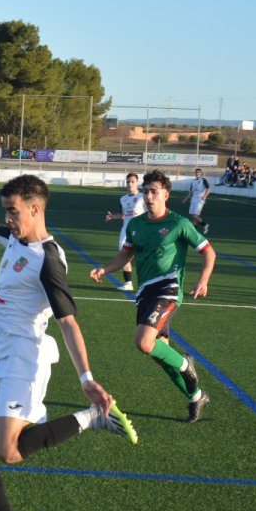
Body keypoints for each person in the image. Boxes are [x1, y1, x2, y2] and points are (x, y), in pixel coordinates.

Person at [0, 168, 137, 511]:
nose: (8, 219)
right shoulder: (15, 239)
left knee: (9, 451)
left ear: (35, 209)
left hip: (26, 357)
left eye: (14, 212)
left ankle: (93, 417)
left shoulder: (49, 259)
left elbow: (68, 321)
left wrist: (86, 378)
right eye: (6, 211)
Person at [90, 169, 217, 423]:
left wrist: (202, 280)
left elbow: (209, 252)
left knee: (144, 343)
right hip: (145, 293)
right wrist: (105, 268)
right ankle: (196, 396)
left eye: (154, 192)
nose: (149, 196)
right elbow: (126, 255)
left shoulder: (179, 223)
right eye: (146, 191)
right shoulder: (136, 224)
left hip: (168, 290)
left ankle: (185, 363)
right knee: (160, 358)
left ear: (166, 195)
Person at [103, 172, 145, 291]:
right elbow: (123, 215)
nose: (130, 184)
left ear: (137, 183)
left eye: (132, 181)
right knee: (124, 254)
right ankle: (128, 283)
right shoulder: (123, 199)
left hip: (140, 231)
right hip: (126, 231)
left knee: (143, 257)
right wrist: (113, 217)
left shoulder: (143, 197)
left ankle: (146, 283)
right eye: (128, 182)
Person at [182, 168, 211, 234]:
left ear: (201, 173)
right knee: (193, 217)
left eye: (198, 172)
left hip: (200, 200)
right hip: (193, 200)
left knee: (195, 216)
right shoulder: (193, 181)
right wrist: (185, 199)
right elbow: (191, 192)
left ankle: (205, 225)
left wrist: (205, 196)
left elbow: (209, 189)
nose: (197, 174)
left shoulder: (203, 180)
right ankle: (195, 232)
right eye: (196, 172)